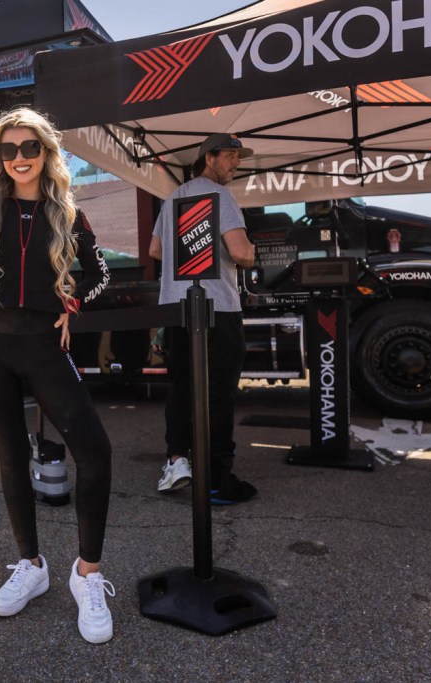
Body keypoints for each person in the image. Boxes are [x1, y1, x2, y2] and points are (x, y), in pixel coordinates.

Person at [0, 107, 115, 643]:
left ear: (46, 152)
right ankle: (31, 565)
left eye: (30, 148)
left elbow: (100, 273)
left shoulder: (67, 212)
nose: (20, 158)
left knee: (95, 451)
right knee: (10, 456)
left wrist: (72, 301)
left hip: (44, 345)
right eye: (9, 150)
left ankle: (86, 573)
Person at [148, 133, 258, 505]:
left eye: (237, 157)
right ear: (208, 158)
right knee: (219, 392)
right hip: (217, 309)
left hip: (176, 308)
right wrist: (251, 251)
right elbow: (241, 253)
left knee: (182, 388)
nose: (235, 164)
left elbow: (155, 250)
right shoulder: (220, 196)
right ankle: (216, 479)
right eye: (230, 156)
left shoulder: (172, 200)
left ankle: (178, 461)